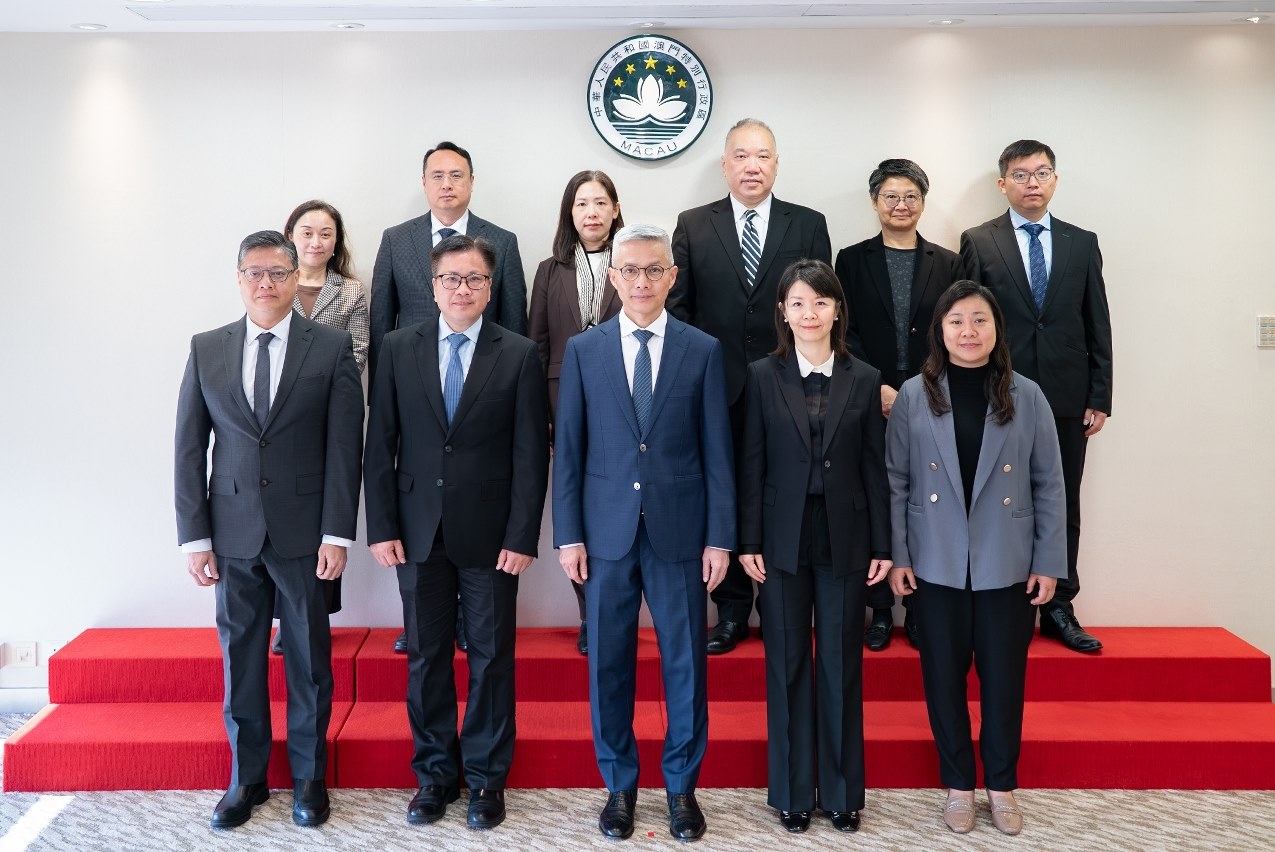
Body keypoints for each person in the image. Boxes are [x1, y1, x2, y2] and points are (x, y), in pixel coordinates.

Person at [175, 230, 363, 830]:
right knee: (241, 660)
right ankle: (247, 778)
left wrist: (337, 533)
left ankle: (309, 778)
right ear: (239, 279)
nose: (266, 282)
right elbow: (189, 449)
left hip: (305, 534)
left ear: (295, 277)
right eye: (254, 272)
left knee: (309, 661)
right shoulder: (207, 348)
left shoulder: (330, 347)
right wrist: (194, 538)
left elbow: (345, 449)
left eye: (278, 272)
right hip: (230, 534)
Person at [553, 224, 734, 842]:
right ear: (613, 276)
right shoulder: (585, 349)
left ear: (671, 276)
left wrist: (720, 537)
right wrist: (568, 535)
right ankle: (620, 787)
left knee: (686, 665)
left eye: (653, 269)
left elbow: (718, 452)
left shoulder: (701, 349)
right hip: (604, 535)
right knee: (608, 664)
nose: (640, 281)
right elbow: (569, 451)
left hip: (680, 532)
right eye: (629, 270)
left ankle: (682, 788)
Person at [363, 234, 549, 831]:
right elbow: (379, 444)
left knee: (492, 658)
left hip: (493, 536)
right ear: (433, 286)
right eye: (451, 279)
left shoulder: (517, 353)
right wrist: (381, 526)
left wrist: (522, 535)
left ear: (490, 289)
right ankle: (435, 776)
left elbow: (530, 455)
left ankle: (487, 779)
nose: (461, 289)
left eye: (474, 279)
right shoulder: (398, 347)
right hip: (417, 531)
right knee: (426, 658)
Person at [885, 281, 1065, 836]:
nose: (969, 331)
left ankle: (1002, 785)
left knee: (1004, 682)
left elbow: (1049, 484)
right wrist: (899, 555)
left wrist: (1048, 562)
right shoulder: (914, 394)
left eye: (980, 320)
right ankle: (959, 784)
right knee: (943, 681)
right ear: (940, 330)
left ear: (996, 328)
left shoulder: (1027, 394)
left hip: (1006, 563)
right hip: (936, 561)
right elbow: (896, 481)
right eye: (957, 320)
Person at [737, 260, 891, 834]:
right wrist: (747, 538)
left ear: (836, 310)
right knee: (786, 662)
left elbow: (875, 468)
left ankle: (844, 794)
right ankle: (793, 792)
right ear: (783, 311)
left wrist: (883, 543)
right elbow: (751, 462)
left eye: (820, 302)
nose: (810, 313)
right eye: (798, 303)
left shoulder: (865, 377)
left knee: (841, 663)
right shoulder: (761, 375)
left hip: (846, 535)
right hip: (780, 536)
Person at [669, 117, 831, 655]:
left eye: (762, 156)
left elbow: (823, 305)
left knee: (783, 490)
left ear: (776, 164)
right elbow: (679, 309)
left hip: (792, 385)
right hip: (717, 386)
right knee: (726, 491)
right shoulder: (694, 224)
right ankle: (733, 611)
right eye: (741, 156)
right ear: (725, 165)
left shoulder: (807, 223)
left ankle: (781, 606)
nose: (752, 165)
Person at [370, 140, 529, 655]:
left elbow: (514, 323)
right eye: (436, 175)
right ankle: (432, 622)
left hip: (485, 407)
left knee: (490, 641)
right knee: (425, 641)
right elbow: (381, 322)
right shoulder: (396, 240)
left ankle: (467, 620)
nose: (446, 184)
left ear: (471, 182)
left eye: (456, 175)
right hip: (418, 402)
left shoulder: (501, 242)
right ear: (423, 183)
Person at [960, 140, 1113, 654]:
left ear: (1055, 180)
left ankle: (1059, 606)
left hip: (1068, 395)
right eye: (1021, 174)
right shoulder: (979, 240)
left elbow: (1097, 320)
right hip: (998, 393)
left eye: (1042, 173)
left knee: (1061, 499)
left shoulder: (1081, 242)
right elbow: (967, 320)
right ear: (1003, 183)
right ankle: (1002, 602)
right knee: (996, 500)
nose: (1032, 182)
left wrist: (1100, 393)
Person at [833, 159, 965, 652]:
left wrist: (919, 386)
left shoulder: (948, 262)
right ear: (874, 202)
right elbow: (844, 329)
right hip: (870, 398)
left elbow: (954, 328)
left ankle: (921, 609)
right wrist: (880, 387)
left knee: (929, 500)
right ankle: (881, 610)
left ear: (923, 202)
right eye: (890, 196)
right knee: (876, 498)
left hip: (934, 397)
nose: (901, 205)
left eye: (911, 196)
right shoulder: (851, 260)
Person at [527, 169, 625, 656]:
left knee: (614, 500)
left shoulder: (632, 264)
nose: (592, 212)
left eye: (600, 202)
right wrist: (541, 415)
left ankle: (612, 609)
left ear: (615, 209)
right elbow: (537, 346)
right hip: (562, 397)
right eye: (582, 203)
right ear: (571, 212)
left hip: (622, 397)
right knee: (573, 504)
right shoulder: (550, 270)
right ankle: (588, 615)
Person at [271, 199, 370, 656]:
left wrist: (317, 386)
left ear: (336, 242)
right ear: (290, 237)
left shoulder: (350, 292)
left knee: (326, 510)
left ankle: (314, 618)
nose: (316, 241)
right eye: (307, 232)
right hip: (275, 417)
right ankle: (281, 620)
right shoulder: (273, 283)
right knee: (276, 514)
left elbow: (358, 351)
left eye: (326, 233)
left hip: (330, 413)